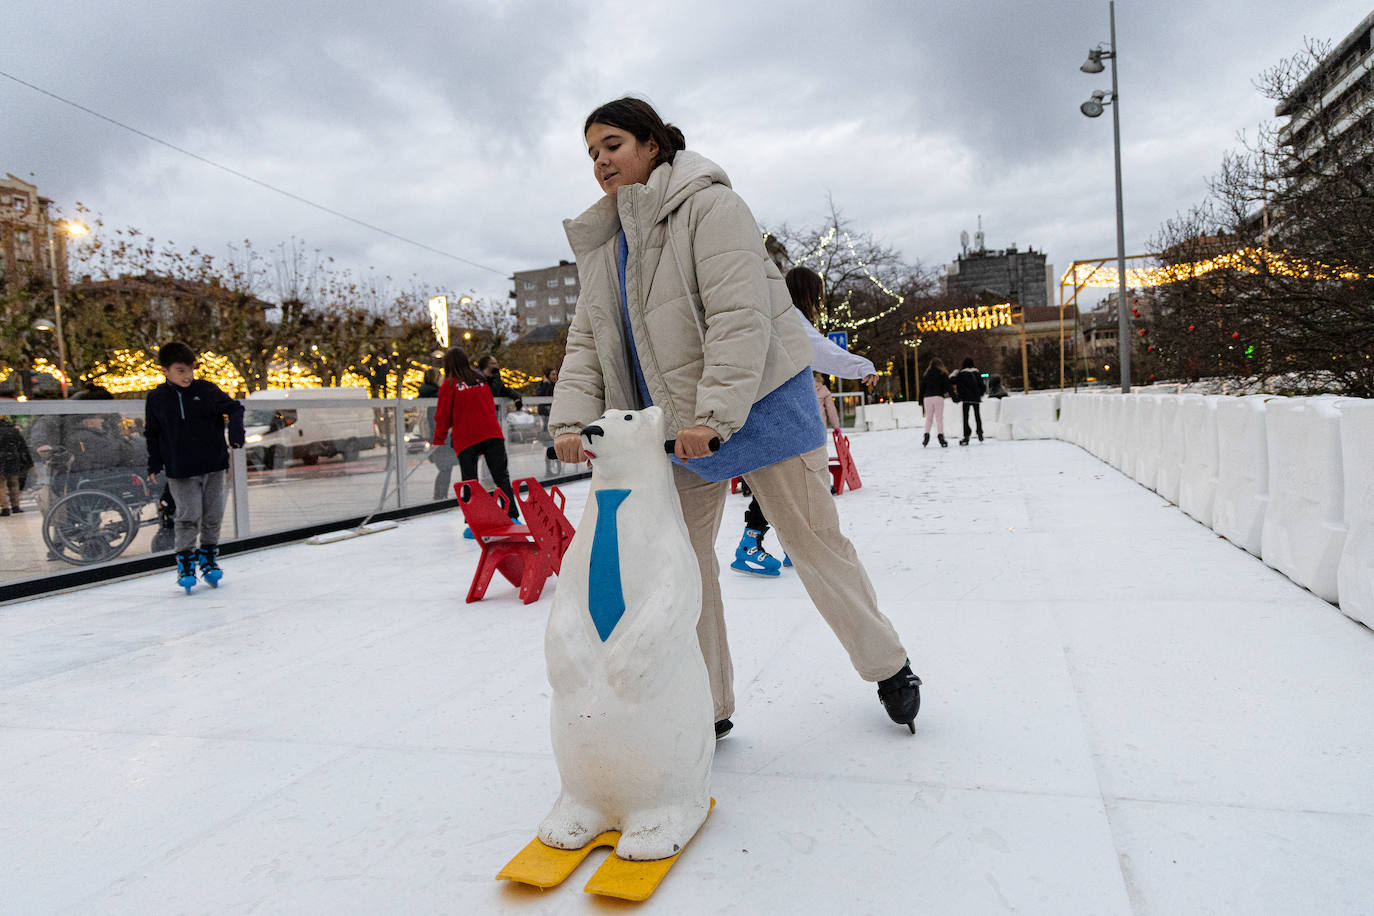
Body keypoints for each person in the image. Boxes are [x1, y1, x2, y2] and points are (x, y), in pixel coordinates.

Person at [549, 97, 921, 736]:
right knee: (683, 567)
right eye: (591, 153)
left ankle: (888, 664)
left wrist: (717, 411)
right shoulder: (606, 245)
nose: (601, 162)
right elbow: (587, 343)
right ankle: (707, 704)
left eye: (612, 145)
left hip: (762, 405)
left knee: (814, 545)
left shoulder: (709, 205)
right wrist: (569, 422)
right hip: (679, 427)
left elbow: (738, 314)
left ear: (653, 145)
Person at [732, 265, 878, 577]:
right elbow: (822, 351)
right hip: (778, 413)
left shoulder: (767, 309)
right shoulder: (787, 315)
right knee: (783, 482)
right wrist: (861, 365)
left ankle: (786, 544)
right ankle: (753, 543)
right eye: (817, 296)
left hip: (764, 410)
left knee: (786, 482)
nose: (818, 303)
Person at [145, 341, 245, 591]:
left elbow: (235, 408)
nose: (188, 375)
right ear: (165, 370)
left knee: (213, 515)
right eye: (180, 370)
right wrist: (154, 463)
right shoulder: (157, 398)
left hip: (213, 464)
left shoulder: (207, 390)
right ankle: (186, 561)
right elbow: (152, 432)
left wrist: (235, 430)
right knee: (188, 516)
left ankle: (209, 558)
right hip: (180, 469)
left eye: (190, 369)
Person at [432, 347, 519, 522]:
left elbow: (443, 415)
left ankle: (474, 519)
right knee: (501, 477)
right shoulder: (480, 379)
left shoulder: (449, 385)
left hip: (467, 438)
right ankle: (511, 515)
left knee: (470, 481)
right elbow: (488, 403)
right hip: (492, 433)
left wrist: (439, 438)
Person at [418, 367, 455, 501]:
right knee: (446, 468)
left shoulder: (426, 394)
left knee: (445, 468)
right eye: (440, 377)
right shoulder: (438, 396)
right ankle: (440, 496)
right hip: (441, 438)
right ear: (436, 379)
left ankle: (440, 495)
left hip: (436, 437)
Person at [0, 416, 33, 516]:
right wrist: (28, 460)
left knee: (1, 484)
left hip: (0, 459)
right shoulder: (13, 430)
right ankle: (15, 506)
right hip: (13, 459)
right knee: (14, 483)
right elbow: (22, 446)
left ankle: (5, 508)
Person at [951, 357, 987, 445]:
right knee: (977, 416)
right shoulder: (977, 373)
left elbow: (952, 381)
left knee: (965, 417)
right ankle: (980, 433)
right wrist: (980, 394)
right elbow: (982, 386)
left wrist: (954, 373)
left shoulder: (961, 374)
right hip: (975, 398)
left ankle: (966, 436)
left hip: (966, 398)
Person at [920, 358, 951, 447]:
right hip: (938, 396)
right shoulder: (942, 373)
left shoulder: (926, 374)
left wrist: (920, 400)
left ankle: (926, 435)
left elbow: (922, 388)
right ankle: (941, 436)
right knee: (939, 419)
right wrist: (954, 397)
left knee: (928, 418)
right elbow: (947, 385)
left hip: (927, 397)